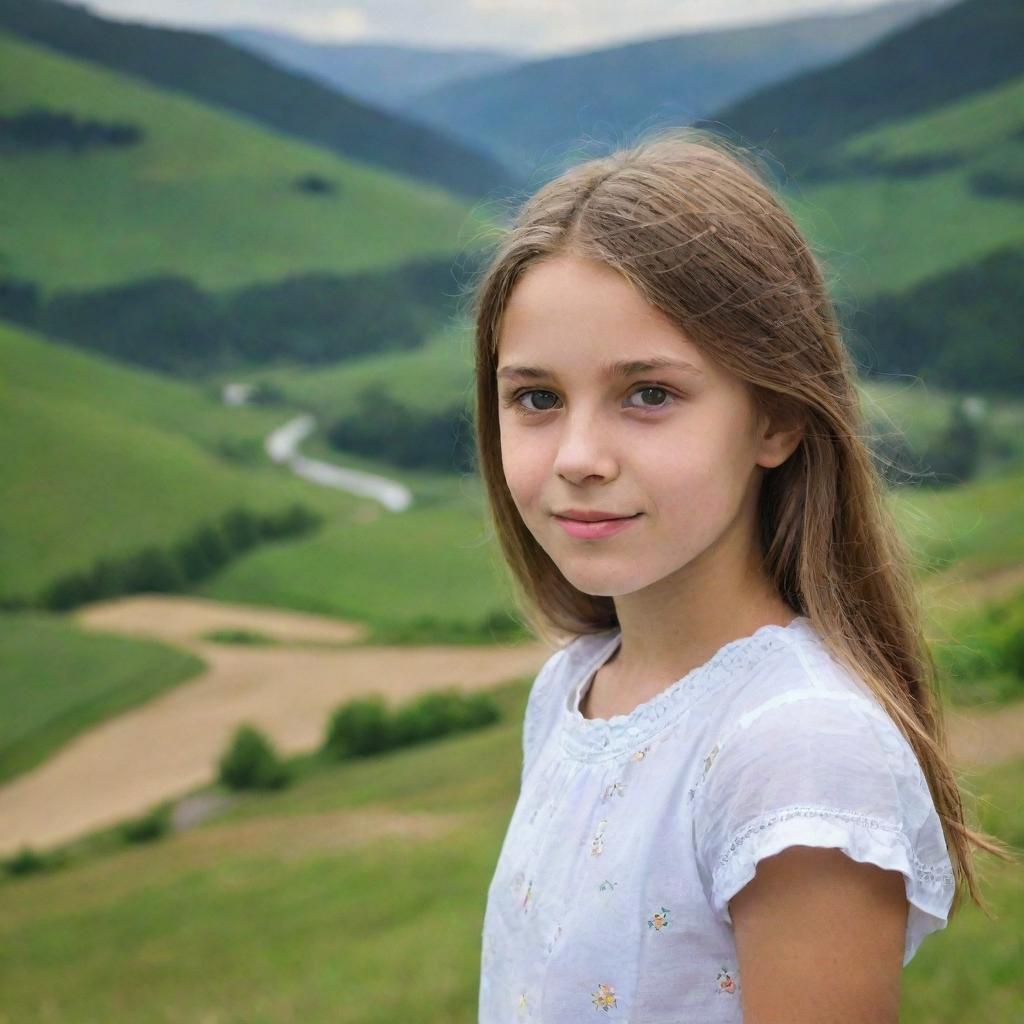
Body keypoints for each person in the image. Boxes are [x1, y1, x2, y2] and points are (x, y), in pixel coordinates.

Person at [467, 128, 1014, 1023]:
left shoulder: (798, 750)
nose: (578, 456)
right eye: (537, 398)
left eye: (649, 394)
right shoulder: (571, 687)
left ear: (777, 420)